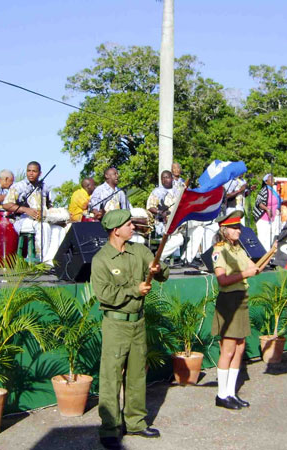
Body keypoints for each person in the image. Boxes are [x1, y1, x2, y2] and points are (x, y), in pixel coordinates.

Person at [91, 209, 169, 450]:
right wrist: (135, 290)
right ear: (116, 230)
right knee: (111, 376)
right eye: (128, 224)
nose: (133, 227)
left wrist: (158, 270)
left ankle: (135, 422)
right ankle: (110, 429)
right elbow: (104, 294)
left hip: (138, 322)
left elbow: (162, 272)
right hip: (115, 324)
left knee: (137, 374)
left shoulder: (140, 250)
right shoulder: (101, 259)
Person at [211, 210, 261, 409]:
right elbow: (222, 280)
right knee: (229, 348)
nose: (239, 230)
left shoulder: (238, 248)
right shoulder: (219, 250)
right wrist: (246, 273)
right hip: (229, 301)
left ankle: (231, 393)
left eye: (239, 227)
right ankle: (222, 395)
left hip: (241, 298)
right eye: (234, 227)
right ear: (225, 231)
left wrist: (272, 251)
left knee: (240, 348)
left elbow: (255, 267)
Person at [2, 161, 66, 266]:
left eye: (34, 171)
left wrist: (56, 218)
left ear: (40, 173)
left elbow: (50, 206)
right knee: (44, 226)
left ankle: (50, 261)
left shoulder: (44, 187)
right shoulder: (18, 187)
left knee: (59, 230)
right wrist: (26, 210)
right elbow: (6, 204)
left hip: (42, 219)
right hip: (22, 221)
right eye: (29, 171)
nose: (31, 173)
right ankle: (41, 260)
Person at [146, 170, 184, 259]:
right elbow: (150, 207)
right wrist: (160, 212)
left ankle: (187, 258)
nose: (164, 180)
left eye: (166, 177)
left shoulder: (178, 190)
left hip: (180, 221)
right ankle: (158, 257)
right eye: (162, 178)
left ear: (172, 178)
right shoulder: (157, 192)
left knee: (199, 228)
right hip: (164, 223)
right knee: (179, 239)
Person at [252, 173, 281, 251]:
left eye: (273, 179)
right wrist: (267, 209)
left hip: (272, 218)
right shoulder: (264, 190)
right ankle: (262, 255)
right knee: (263, 237)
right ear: (266, 181)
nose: (273, 180)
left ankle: (268, 255)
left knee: (269, 237)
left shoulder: (272, 190)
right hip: (263, 218)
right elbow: (259, 202)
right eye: (271, 179)